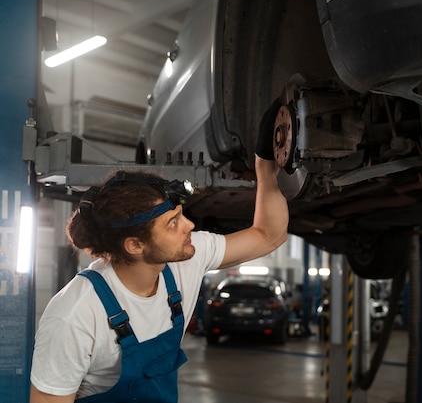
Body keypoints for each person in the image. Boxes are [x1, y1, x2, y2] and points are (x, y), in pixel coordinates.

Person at [29, 101, 288, 403]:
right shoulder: (75, 316)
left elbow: (269, 235)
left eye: (182, 215)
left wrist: (265, 164)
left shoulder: (184, 261)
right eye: (173, 223)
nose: (189, 225)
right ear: (135, 246)